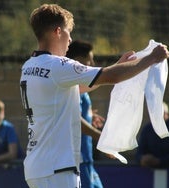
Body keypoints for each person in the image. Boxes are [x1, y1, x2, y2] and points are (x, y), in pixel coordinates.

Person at [20, 3, 169, 188]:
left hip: (37, 167)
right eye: (68, 32)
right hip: (57, 169)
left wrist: (117, 65)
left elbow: (79, 87)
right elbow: (110, 77)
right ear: (57, 32)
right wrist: (151, 58)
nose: (70, 39)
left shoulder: (29, 66)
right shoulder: (57, 65)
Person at [66, 40, 104, 188]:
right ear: (77, 61)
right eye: (89, 61)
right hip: (77, 159)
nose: (93, 64)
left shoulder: (81, 87)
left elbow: (77, 112)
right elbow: (74, 120)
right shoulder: (70, 86)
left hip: (87, 158)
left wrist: (89, 115)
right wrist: (101, 137)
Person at [136, 102, 169, 167]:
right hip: (149, 172)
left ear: (166, 114)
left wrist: (159, 161)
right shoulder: (147, 129)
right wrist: (142, 158)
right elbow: (139, 153)